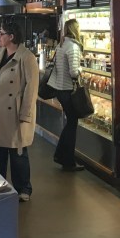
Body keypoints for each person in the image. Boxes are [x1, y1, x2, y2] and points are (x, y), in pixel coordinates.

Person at [0, 19, 38, 201]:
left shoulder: (26, 57)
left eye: (1, 33)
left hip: (14, 112)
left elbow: (31, 88)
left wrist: (25, 114)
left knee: (17, 152)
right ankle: (0, 183)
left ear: (11, 37)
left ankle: (24, 188)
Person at [49, 18, 85, 172]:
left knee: (70, 123)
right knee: (72, 124)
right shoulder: (73, 47)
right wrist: (82, 70)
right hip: (68, 90)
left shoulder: (61, 44)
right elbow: (74, 72)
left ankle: (61, 156)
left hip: (60, 89)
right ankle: (67, 160)